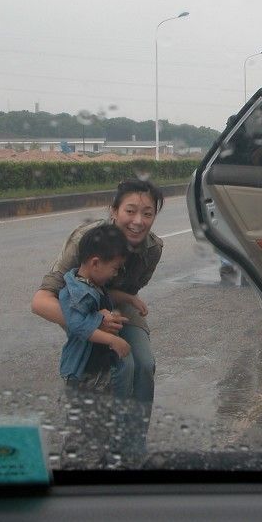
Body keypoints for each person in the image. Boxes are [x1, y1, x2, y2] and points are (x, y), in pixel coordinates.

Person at [31, 179, 165, 453]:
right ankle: (101, 441)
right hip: (81, 305)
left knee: (143, 364)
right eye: (130, 211)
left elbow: (125, 292)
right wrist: (93, 323)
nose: (138, 221)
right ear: (114, 211)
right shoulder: (87, 240)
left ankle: (132, 449)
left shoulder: (152, 249)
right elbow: (41, 301)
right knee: (114, 367)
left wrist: (122, 304)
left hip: (115, 303)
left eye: (147, 213)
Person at [58, 223, 130, 389]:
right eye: (115, 268)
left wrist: (130, 299)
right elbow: (78, 325)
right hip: (83, 373)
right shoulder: (77, 292)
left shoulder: (93, 284)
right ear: (95, 263)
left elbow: (106, 300)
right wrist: (113, 340)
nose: (115, 274)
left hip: (99, 367)